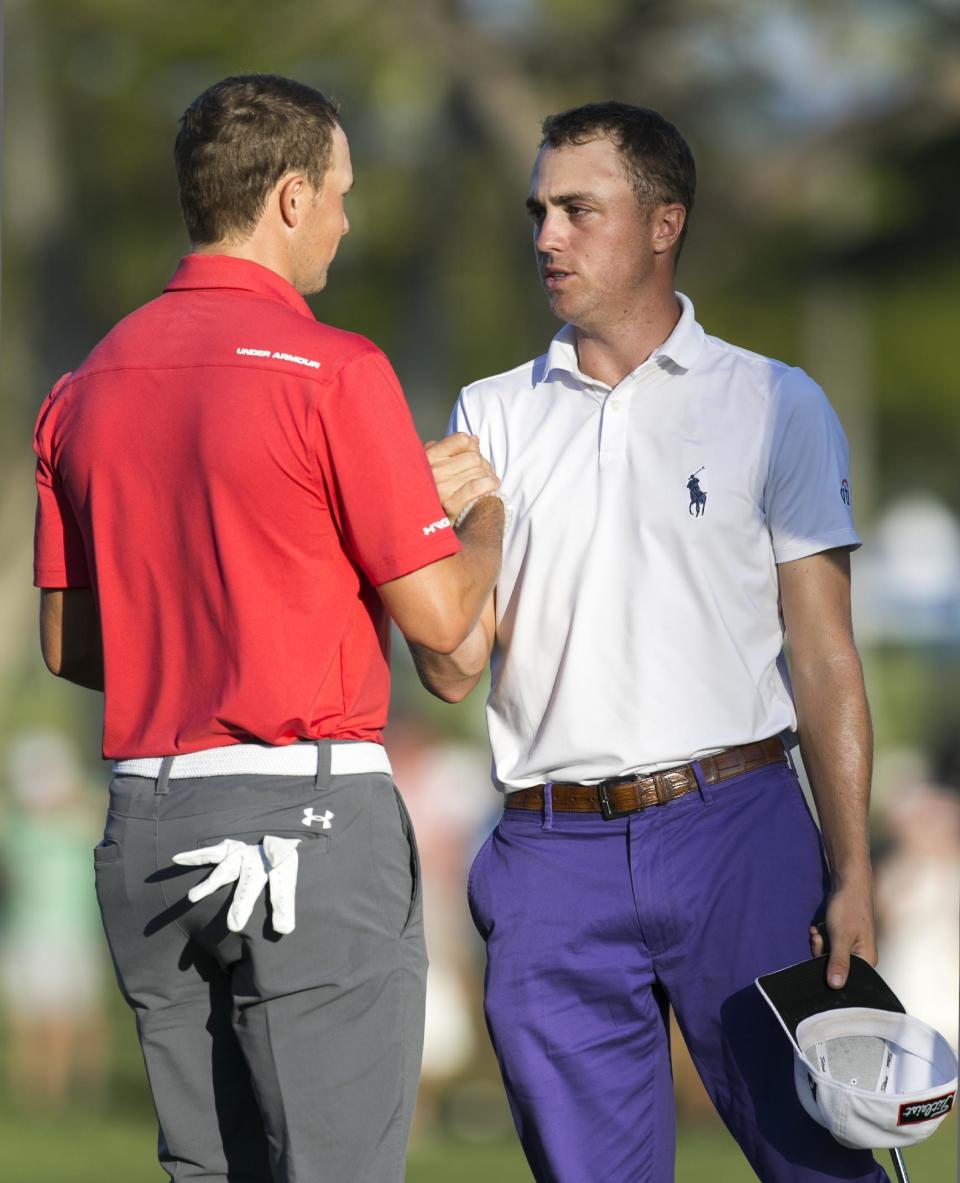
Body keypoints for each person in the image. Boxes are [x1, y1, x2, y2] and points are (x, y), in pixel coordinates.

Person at [32, 73, 503, 1183]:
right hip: (307, 822)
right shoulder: (337, 371)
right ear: (291, 198)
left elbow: (68, 647)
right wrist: (482, 522)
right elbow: (441, 621)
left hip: (146, 824)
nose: (346, 216)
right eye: (341, 192)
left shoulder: (80, 387)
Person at [413, 102, 890, 1182]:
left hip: (742, 831)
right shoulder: (486, 414)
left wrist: (854, 865)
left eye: (580, 210)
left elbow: (824, 655)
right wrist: (447, 527)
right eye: (539, 210)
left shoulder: (778, 401)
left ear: (664, 222)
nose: (547, 236)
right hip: (548, 850)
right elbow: (450, 669)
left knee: (821, 1160)